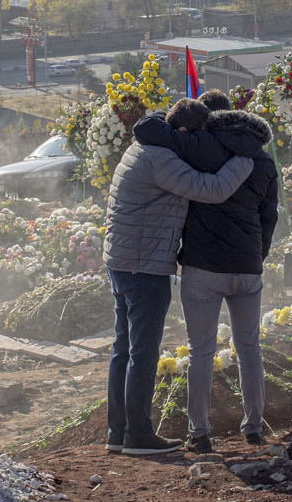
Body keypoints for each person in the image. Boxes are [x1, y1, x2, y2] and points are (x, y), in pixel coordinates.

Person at [104, 99, 254, 457]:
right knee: (143, 352)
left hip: (122, 259)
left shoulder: (143, 146)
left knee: (122, 349)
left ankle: (118, 431)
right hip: (144, 264)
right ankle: (138, 435)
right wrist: (243, 158)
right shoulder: (162, 159)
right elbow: (213, 189)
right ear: (184, 133)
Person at [133, 88, 278, 454]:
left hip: (202, 267)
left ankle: (200, 433)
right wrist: (256, 257)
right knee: (249, 348)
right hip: (247, 268)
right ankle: (255, 427)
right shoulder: (261, 160)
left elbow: (146, 130)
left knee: (200, 352)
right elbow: (269, 216)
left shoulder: (200, 149)